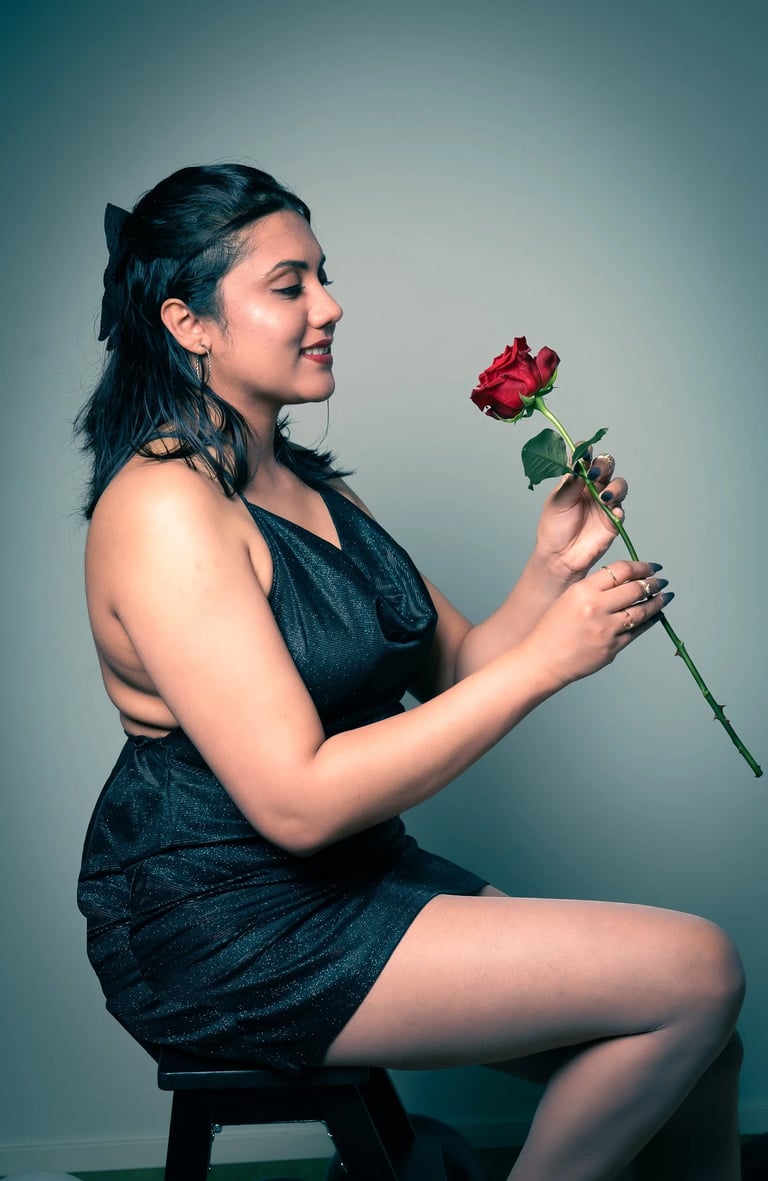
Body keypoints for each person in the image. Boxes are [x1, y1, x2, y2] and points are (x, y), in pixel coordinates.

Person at [76, 163, 744, 1181]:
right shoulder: (165, 506)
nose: (330, 306)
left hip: (355, 877)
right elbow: (295, 801)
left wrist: (550, 567)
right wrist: (548, 667)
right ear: (189, 321)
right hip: (226, 920)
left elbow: (459, 663)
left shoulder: (299, 481)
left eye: (323, 276)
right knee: (698, 970)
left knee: (704, 1044)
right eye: (289, 284)